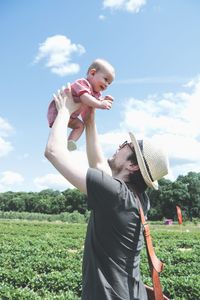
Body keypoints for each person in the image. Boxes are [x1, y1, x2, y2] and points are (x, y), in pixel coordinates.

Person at [45, 85, 169, 300]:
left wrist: (64, 109)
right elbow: (99, 163)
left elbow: (54, 152)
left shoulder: (116, 194)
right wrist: (90, 119)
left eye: (126, 146)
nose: (119, 146)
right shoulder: (139, 198)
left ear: (133, 166)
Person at [47, 58, 115, 151]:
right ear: (92, 73)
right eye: (105, 79)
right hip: (59, 110)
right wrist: (100, 104)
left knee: (80, 126)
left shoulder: (96, 93)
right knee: (59, 134)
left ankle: (69, 143)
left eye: (109, 83)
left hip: (71, 116)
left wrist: (104, 100)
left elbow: (93, 101)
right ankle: (57, 145)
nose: (107, 84)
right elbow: (85, 98)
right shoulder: (82, 83)